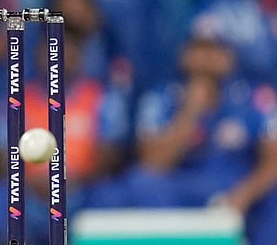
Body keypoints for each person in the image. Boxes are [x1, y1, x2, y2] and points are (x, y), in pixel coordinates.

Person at [107, 34, 277, 244]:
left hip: (236, 182)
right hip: (185, 186)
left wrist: (244, 194)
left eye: (215, 50)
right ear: (184, 55)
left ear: (230, 57)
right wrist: (190, 111)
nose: (206, 58)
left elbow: (273, 161)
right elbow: (153, 164)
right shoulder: (162, 97)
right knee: (140, 182)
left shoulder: (256, 96)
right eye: (199, 49)